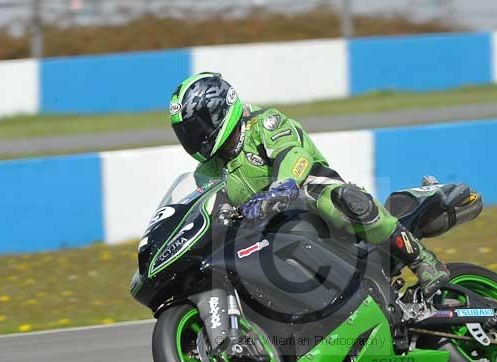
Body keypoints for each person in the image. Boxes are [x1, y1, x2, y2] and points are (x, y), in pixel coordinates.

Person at [168, 72, 449, 297]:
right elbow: (206, 207)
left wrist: (283, 186)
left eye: (198, 127)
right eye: (187, 133)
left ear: (219, 111)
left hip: (308, 200)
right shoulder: (207, 171)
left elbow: (294, 154)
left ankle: (423, 260)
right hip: (266, 231)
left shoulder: (264, 124)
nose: (195, 138)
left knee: (339, 201)